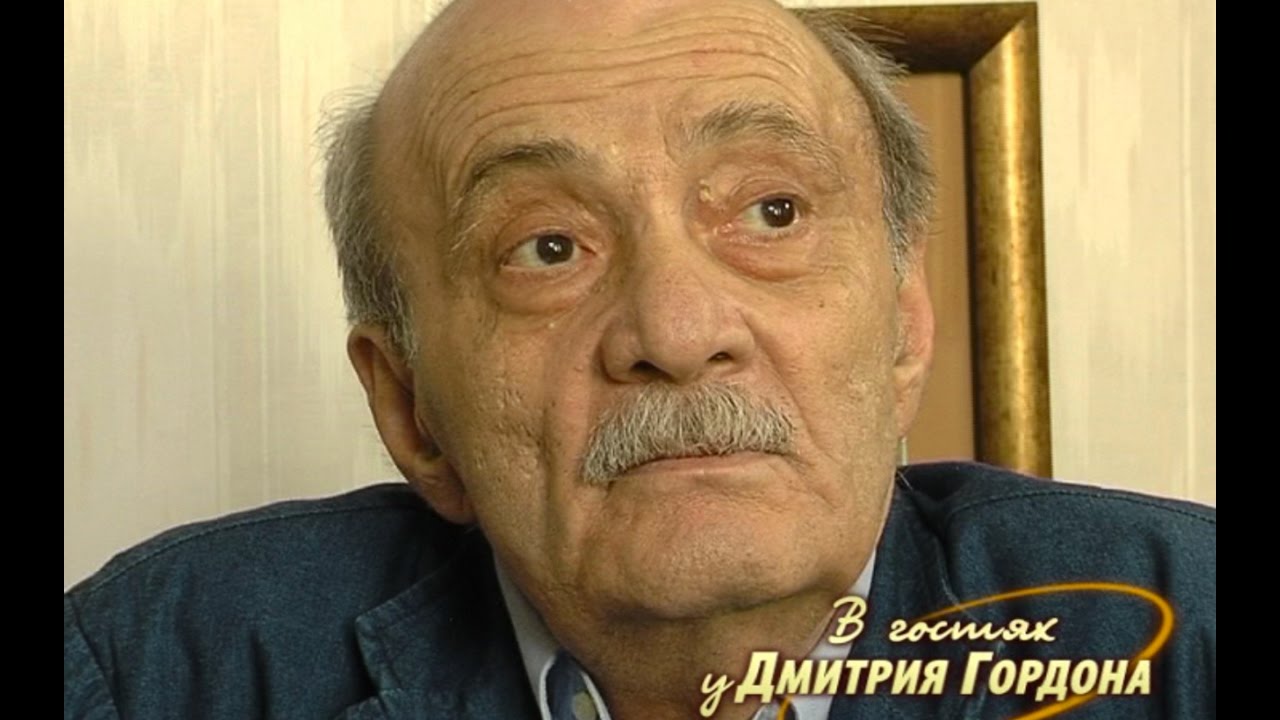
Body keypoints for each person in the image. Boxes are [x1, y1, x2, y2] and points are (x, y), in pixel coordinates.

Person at [63, 0, 1215, 718]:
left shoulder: (1185, 633)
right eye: (546, 247)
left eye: (769, 213)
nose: (675, 330)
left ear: (904, 323)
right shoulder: (154, 670)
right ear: (411, 409)